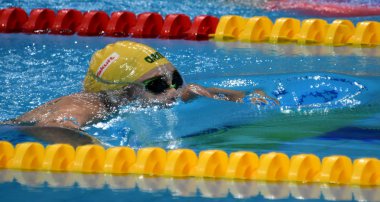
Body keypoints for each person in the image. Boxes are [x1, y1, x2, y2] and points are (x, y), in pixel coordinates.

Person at [2, 41, 278, 146]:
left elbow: (193, 90)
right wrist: (96, 148)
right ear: (123, 92)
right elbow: (49, 126)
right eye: (158, 86)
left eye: (175, 79)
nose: (172, 92)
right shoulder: (86, 105)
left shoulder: (167, 93)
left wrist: (243, 97)